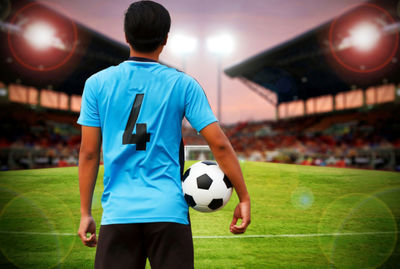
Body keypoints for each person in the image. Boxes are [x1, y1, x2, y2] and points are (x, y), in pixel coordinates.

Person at [77, 1, 251, 268]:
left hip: (119, 214)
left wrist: (85, 212)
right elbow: (220, 145)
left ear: (126, 36)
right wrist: (244, 197)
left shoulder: (96, 84)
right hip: (169, 213)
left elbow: (89, 153)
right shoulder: (183, 84)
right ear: (166, 39)